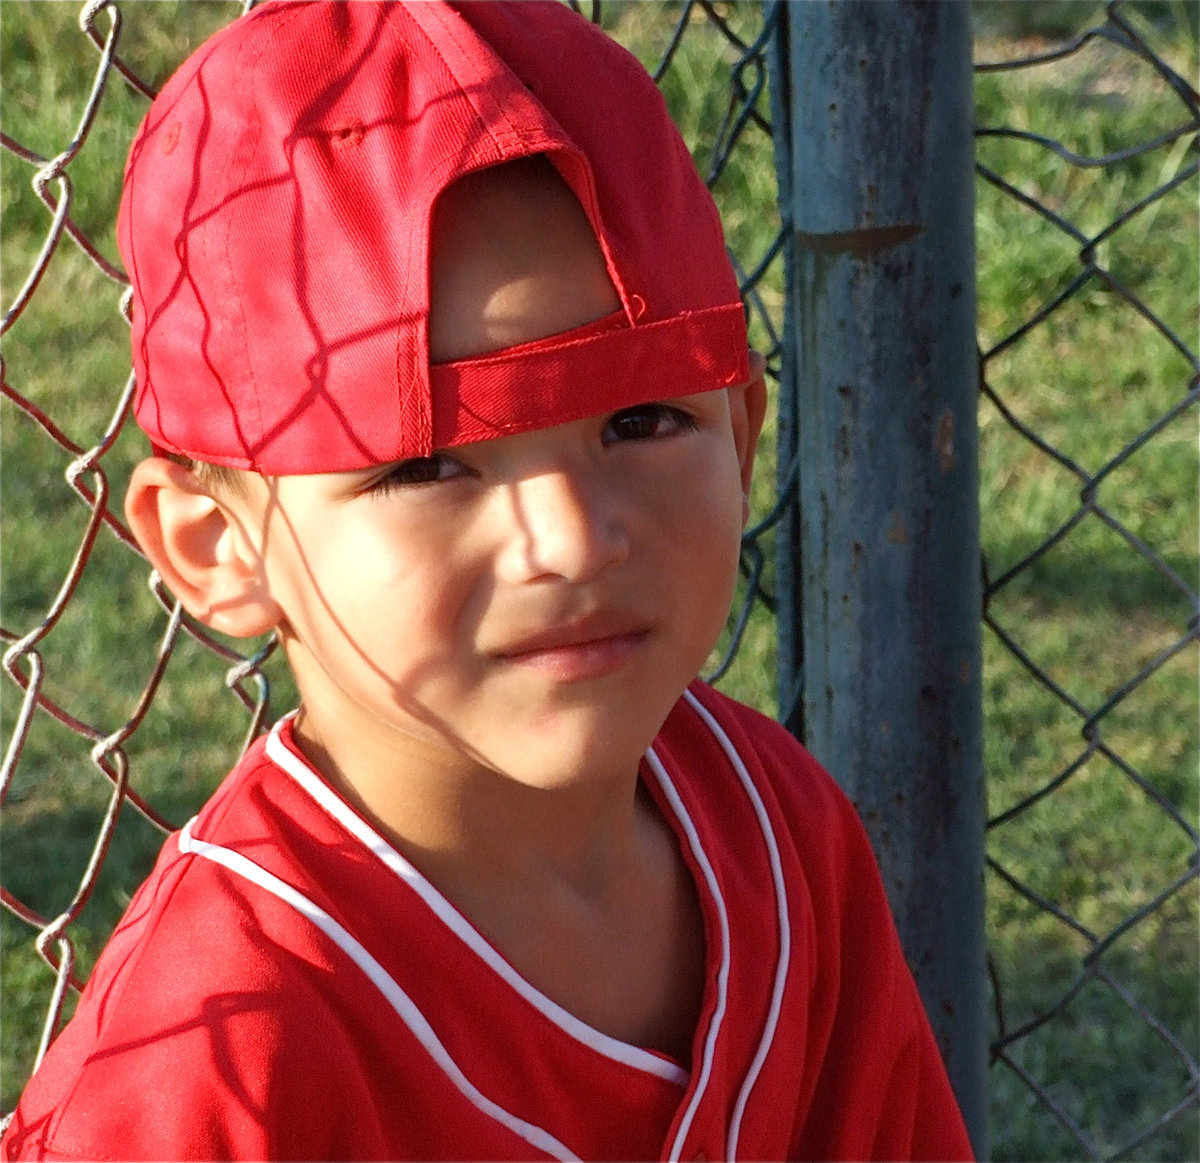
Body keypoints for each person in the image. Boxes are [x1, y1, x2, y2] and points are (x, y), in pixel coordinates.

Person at [1, 3, 974, 1159]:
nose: (570, 538)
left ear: (743, 429)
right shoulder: (208, 1064)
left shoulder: (776, 826)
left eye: (644, 417)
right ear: (218, 545)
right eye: (430, 464)